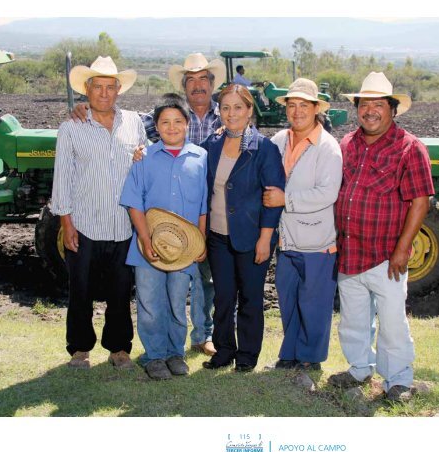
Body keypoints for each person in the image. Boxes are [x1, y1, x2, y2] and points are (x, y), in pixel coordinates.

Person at [72, 52, 226, 357]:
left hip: (202, 213)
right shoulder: (160, 118)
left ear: (211, 84)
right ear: (184, 86)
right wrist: (85, 108)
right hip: (159, 224)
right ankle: (158, 350)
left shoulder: (226, 118)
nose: (197, 85)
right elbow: (120, 119)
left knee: (202, 280)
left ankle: (202, 334)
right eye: (191, 80)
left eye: (203, 80)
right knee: (157, 294)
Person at [329, 72, 434, 402]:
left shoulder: (409, 149)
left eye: (378, 105)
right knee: (353, 319)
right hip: (350, 251)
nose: (369, 111)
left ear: (392, 109)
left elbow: (420, 201)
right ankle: (359, 368)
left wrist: (403, 249)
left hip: (387, 255)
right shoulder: (348, 144)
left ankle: (398, 380)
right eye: (364, 104)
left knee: (392, 323)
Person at [51, 56, 147, 370]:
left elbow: (144, 157)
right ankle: (79, 350)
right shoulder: (71, 126)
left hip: (123, 224)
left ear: (119, 90)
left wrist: (141, 154)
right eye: (97, 87)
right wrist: (66, 223)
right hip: (84, 223)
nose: (104, 93)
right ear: (87, 90)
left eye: (110, 87)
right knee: (80, 290)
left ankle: (119, 349)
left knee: (121, 291)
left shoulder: (133, 121)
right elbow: (62, 177)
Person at [120, 94, 208, 379]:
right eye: (165, 122)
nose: (171, 127)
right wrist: (145, 240)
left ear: (187, 123)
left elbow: (203, 206)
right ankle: (155, 355)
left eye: (178, 121)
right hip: (147, 248)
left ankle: (176, 353)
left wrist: (201, 241)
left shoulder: (200, 158)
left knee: (176, 302)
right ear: (156, 126)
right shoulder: (144, 157)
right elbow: (134, 202)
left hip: (185, 250)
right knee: (149, 303)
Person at [200, 84, 285, 371]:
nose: (231, 113)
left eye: (238, 107)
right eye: (225, 107)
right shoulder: (210, 146)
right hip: (218, 238)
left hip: (252, 237)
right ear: (219, 111)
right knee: (223, 297)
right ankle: (223, 350)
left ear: (249, 110)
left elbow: (274, 199)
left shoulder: (264, 148)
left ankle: (247, 355)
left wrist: (265, 239)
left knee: (250, 297)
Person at [263, 78, 342, 371]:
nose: (297, 112)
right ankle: (290, 354)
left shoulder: (327, 147)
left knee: (315, 304)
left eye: (304, 106)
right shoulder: (280, 140)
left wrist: (286, 199)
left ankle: (311, 359)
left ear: (315, 109)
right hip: (287, 240)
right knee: (289, 299)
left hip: (317, 241)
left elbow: (327, 193)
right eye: (292, 105)